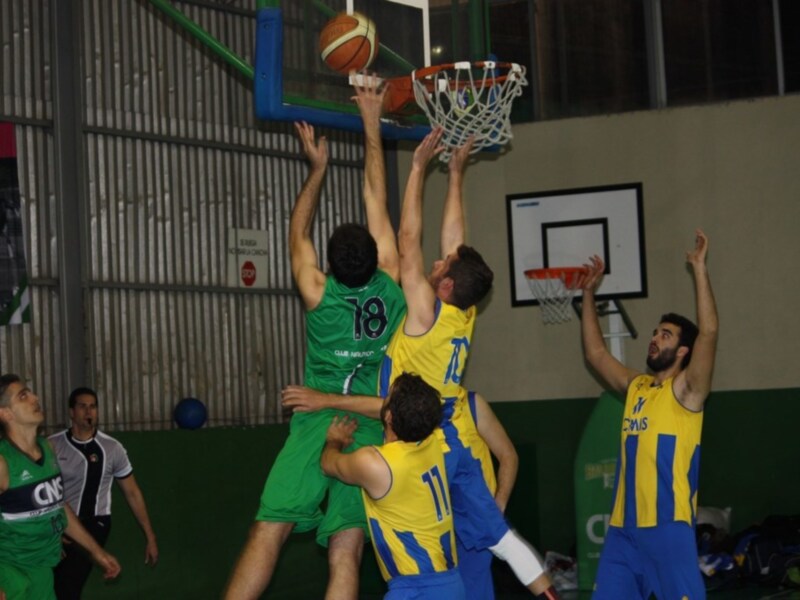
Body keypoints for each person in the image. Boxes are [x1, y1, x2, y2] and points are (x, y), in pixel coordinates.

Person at [284, 129, 558, 599]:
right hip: (456, 440)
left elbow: (408, 240)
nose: (436, 263)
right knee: (500, 539)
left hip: (422, 441)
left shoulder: (425, 316)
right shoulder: (463, 310)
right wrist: (454, 174)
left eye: (442, 268)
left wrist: (416, 171)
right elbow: (455, 240)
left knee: (412, 534)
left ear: (446, 286)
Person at [224, 75, 406, 600]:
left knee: (269, 530)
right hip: (370, 419)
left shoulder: (316, 292)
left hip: (313, 420)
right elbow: (377, 193)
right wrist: (372, 122)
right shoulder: (392, 286)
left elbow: (295, 233)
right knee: (346, 549)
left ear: (327, 266)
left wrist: (317, 168)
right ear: (376, 258)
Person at [575, 229, 718, 600]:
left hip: (669, 530)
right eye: (655, 332)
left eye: (666, 335)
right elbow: (596, 355)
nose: (655, 338)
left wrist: (699, 269)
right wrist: (588, 294)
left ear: (684, 350)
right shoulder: (637, 387)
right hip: (623, 530)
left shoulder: (687, 392)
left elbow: (710, 333)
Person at [321, 372, 465, 600]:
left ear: (389, 417)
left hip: (418, 587)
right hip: (452, 583)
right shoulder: (432, 440)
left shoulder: (377, 464)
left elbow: (329, 464)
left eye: (387, 397)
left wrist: (334, 440)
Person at [0, 374, 121, 600]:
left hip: (42, 569)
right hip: (10, 572)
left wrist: (97, 552)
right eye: (23, 396)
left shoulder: (48, 449)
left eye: (31, 392)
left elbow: (58, 507)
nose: (35, 398)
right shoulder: (3, 462)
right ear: (6, 413)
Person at [48, 387, 158, 600]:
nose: (88, 412)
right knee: (52, 584)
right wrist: (55, 531)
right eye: (82, 406)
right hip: (60, 524)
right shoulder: (53, 445)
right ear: (72, 412)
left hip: (95, 524)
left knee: (68, 585)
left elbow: (133, 493)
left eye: (93, 407)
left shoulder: (112, 448)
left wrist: (150, 536)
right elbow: (46, 494)